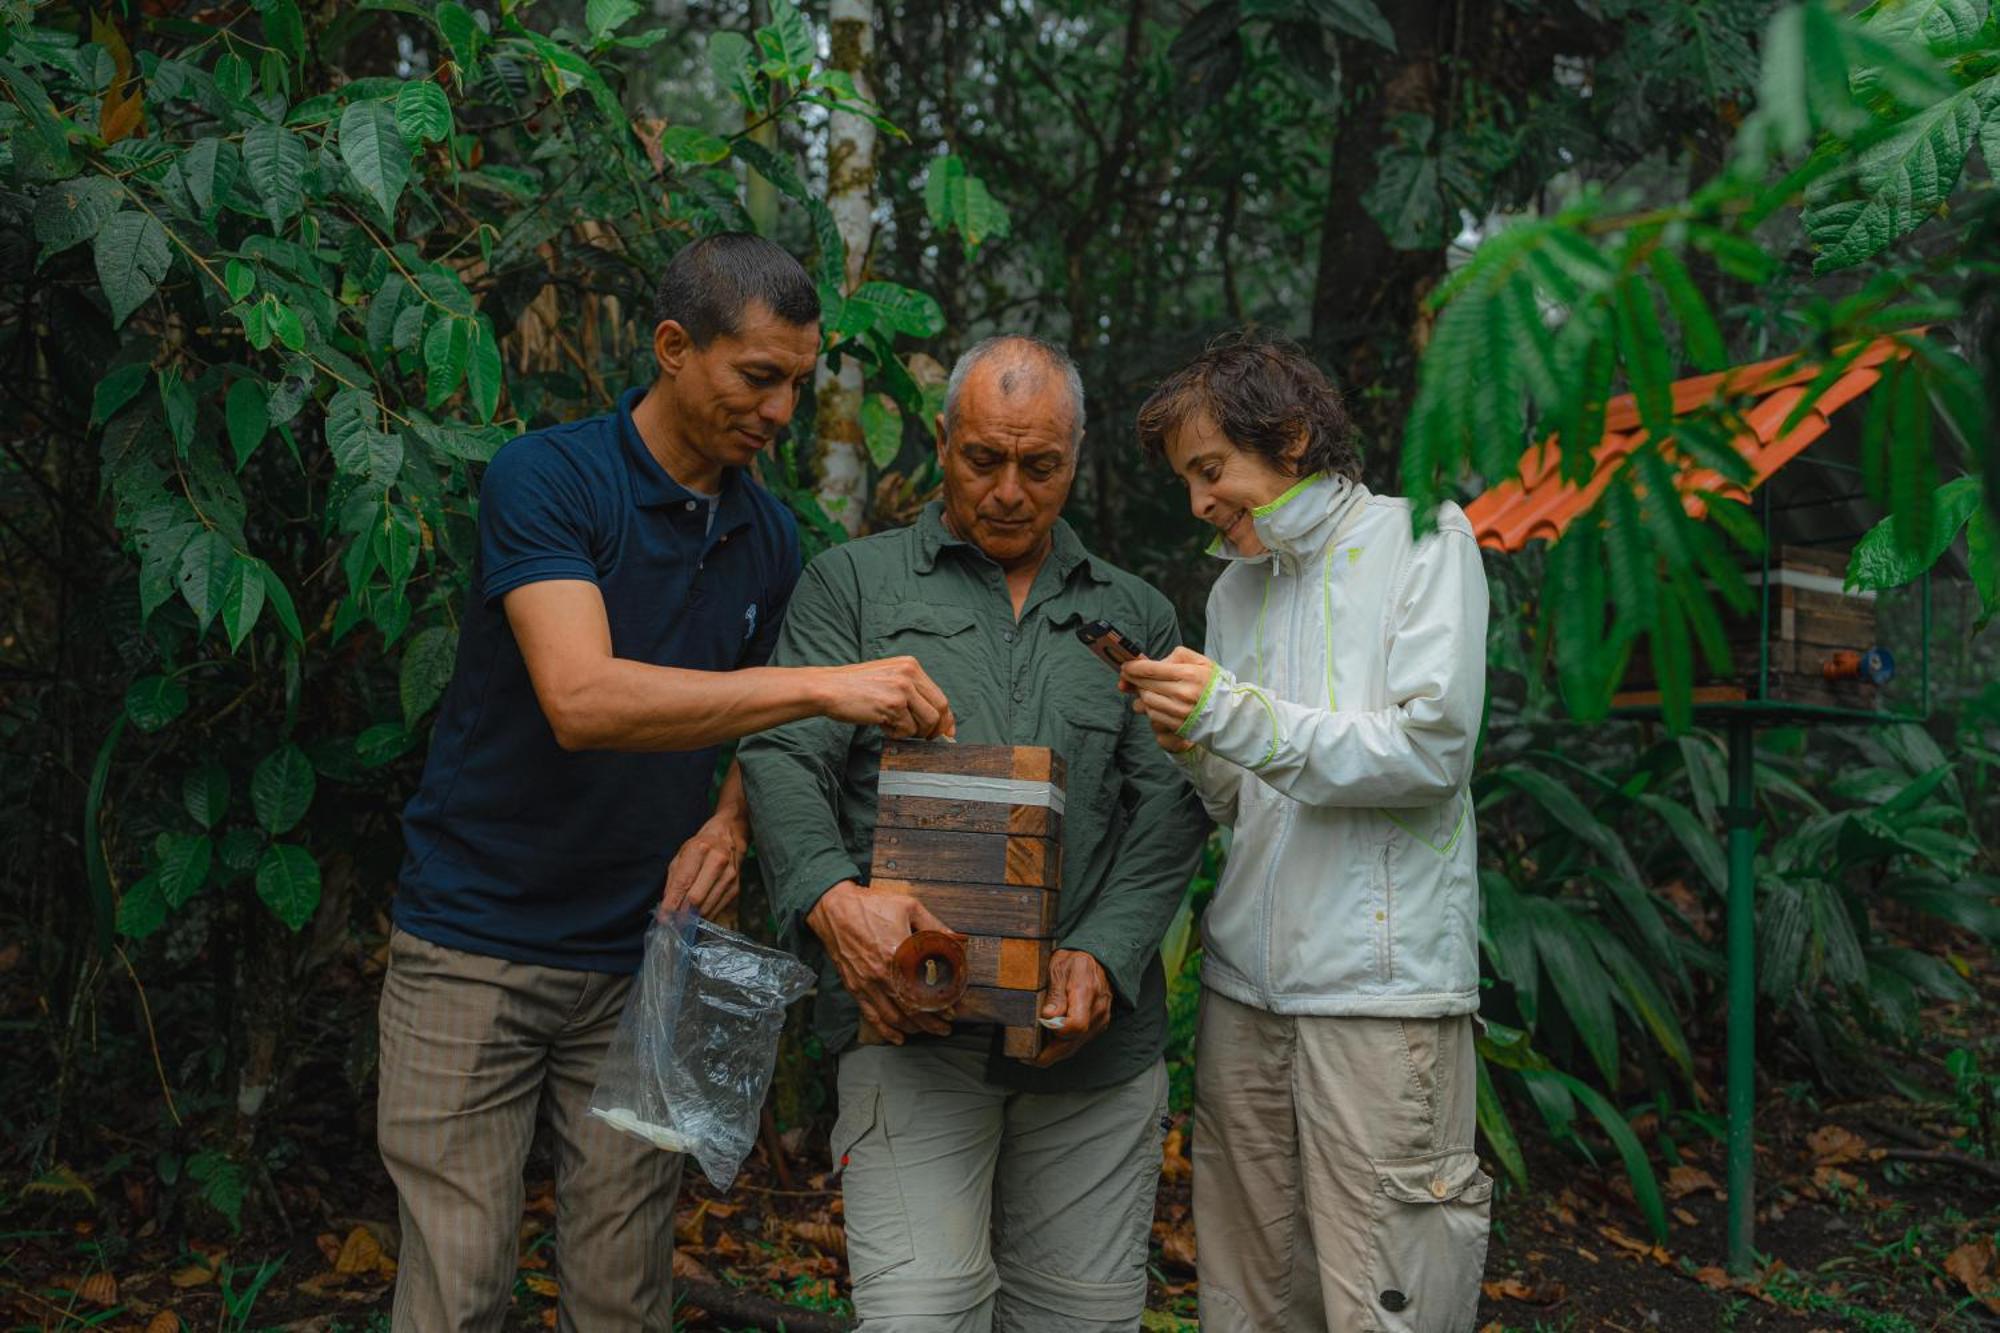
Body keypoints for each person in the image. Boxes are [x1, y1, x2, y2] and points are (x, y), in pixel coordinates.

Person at [376, 233, 954, 1332]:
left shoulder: (766, 533)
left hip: (650, 952)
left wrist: (732, 822)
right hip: (473, 943)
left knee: (621, 1284)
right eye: (758, 376)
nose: (782, 411)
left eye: (796, 382)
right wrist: (825, 687)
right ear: (674, 347)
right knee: (457, 1287)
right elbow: (582, 699)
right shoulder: (546, 478)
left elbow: (750, 715)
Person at [738, 334, 1209, 1331]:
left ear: (1074, 462)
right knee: (918, 1315)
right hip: (907, 1029)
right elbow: (783, 755)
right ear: (940, 441)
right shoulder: (851, 585)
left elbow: (1172, 798)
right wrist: (833, 903)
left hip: (1091, 1052)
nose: (1007, 490)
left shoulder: (1131, 611)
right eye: (980, 459)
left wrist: (1105, 951)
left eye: (1038, 467)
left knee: (1077, 1321)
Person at [1122, 332, 1492, 1333]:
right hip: (1246, 991)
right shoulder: (1236, 588)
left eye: (1211, 470)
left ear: (1286, 436)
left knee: (1386, 1296)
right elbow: (1246, 796)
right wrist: (1192, 739)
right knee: (1246, 1294)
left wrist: (1231, 714)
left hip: (1378, 996)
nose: (1197, 501)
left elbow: (1429, 752)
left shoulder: (1422, 537)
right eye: (1187, 481)